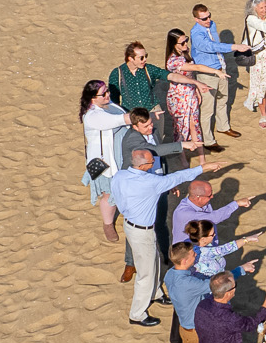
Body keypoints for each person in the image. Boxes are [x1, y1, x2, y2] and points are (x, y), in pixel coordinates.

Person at [114, 151, 214, 325]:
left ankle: (155, 293)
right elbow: (177, 177)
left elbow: (117, 197)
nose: (153, 164)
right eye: (152, 162)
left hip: (132, 225)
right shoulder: (150, 182)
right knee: (146, 273)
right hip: (141, 231)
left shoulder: (120, 175)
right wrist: (202, 168)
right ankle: (137, 314)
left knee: (154, 261)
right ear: (143, 165)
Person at [113, 108, 163, 284]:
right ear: (135, 126)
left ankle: (162, 254)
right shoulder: (132, 139)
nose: (151, 127)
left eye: (151, 123)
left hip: (156, 183)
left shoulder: (153, 132)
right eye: (147, 125)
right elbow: (156, 151)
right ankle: (130, 264)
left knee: (160, 222)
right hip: (140, 190)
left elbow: (160, 161)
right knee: (136, 227)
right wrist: (182, 146)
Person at [80, 78, 130, 242]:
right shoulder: (92, 116)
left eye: (107, 91)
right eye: (103, 94)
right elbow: (119, 121)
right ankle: (108, 224)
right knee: (108, 194)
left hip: (120, 156)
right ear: (93, 98)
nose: (108, 95)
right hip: (107, 161)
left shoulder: (111, 106)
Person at [188, 4, 242, 146]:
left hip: (220, 69)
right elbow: (211, 46)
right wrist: (234, 47)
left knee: (222, 99)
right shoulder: (196, 34)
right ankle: (208, 140)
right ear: (196, 19)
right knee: (207, 109)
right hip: (206, 73)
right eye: (204, 18)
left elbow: (216, 45)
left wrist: (222, 66)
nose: (208, 20)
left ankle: (223, 127)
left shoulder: (212, 25)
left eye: (209, 15)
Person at [163, 28, 220, 153]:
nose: (186, 44)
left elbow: (190, 75)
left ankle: (201, 157)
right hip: (178, 96)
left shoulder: (185, 53)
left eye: (186, 41)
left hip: (191, 93)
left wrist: (196, 90)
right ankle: (182, 158)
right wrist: (215, 71)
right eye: (182, 43)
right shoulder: (172, 61)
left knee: (194, 125)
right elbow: (196, 67)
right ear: (174, 44)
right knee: (181, 127)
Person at [169, 175, 248, 251]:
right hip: (188, 254)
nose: (212, 197)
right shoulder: (184, 213)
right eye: (209, 195)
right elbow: (214, 217)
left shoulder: (201, 202)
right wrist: (236, 203)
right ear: (198, 198)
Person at [107, 41, 167, 128]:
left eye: (146, 56)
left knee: (156, 140)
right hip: (132, 116)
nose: (145, 59)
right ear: (131, 58)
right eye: (141, 58)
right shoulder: (117, 74)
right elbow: (114, 99)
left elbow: (165, 74)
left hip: (153, 110)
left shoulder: (148, 69)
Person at [187, 218, 257, 281]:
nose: (214, 235)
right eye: (212, 234)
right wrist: (247, 239)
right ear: (203, 239)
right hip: (213, 287)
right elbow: (227, 248)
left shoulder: (188, 244)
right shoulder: (206, 252)